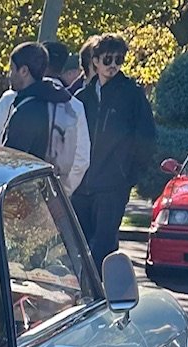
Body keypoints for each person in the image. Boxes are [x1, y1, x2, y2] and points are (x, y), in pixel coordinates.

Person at [70, 33, 155, 266]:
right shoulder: (82, 97)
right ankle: (84, 286)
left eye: (119, 60)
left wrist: (128, 176)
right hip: (81, 184)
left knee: (104, 245)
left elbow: (146, 137)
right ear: (95, 61)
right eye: (108, 59)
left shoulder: (132, 94)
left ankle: (101, 286)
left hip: (113, 185)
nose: (113, 65)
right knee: (79, 245)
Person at [43, 39, 91, 193]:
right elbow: (82, 157)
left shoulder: (14, 99)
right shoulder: (75, 106)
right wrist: (64, 191)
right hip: (57, 186)